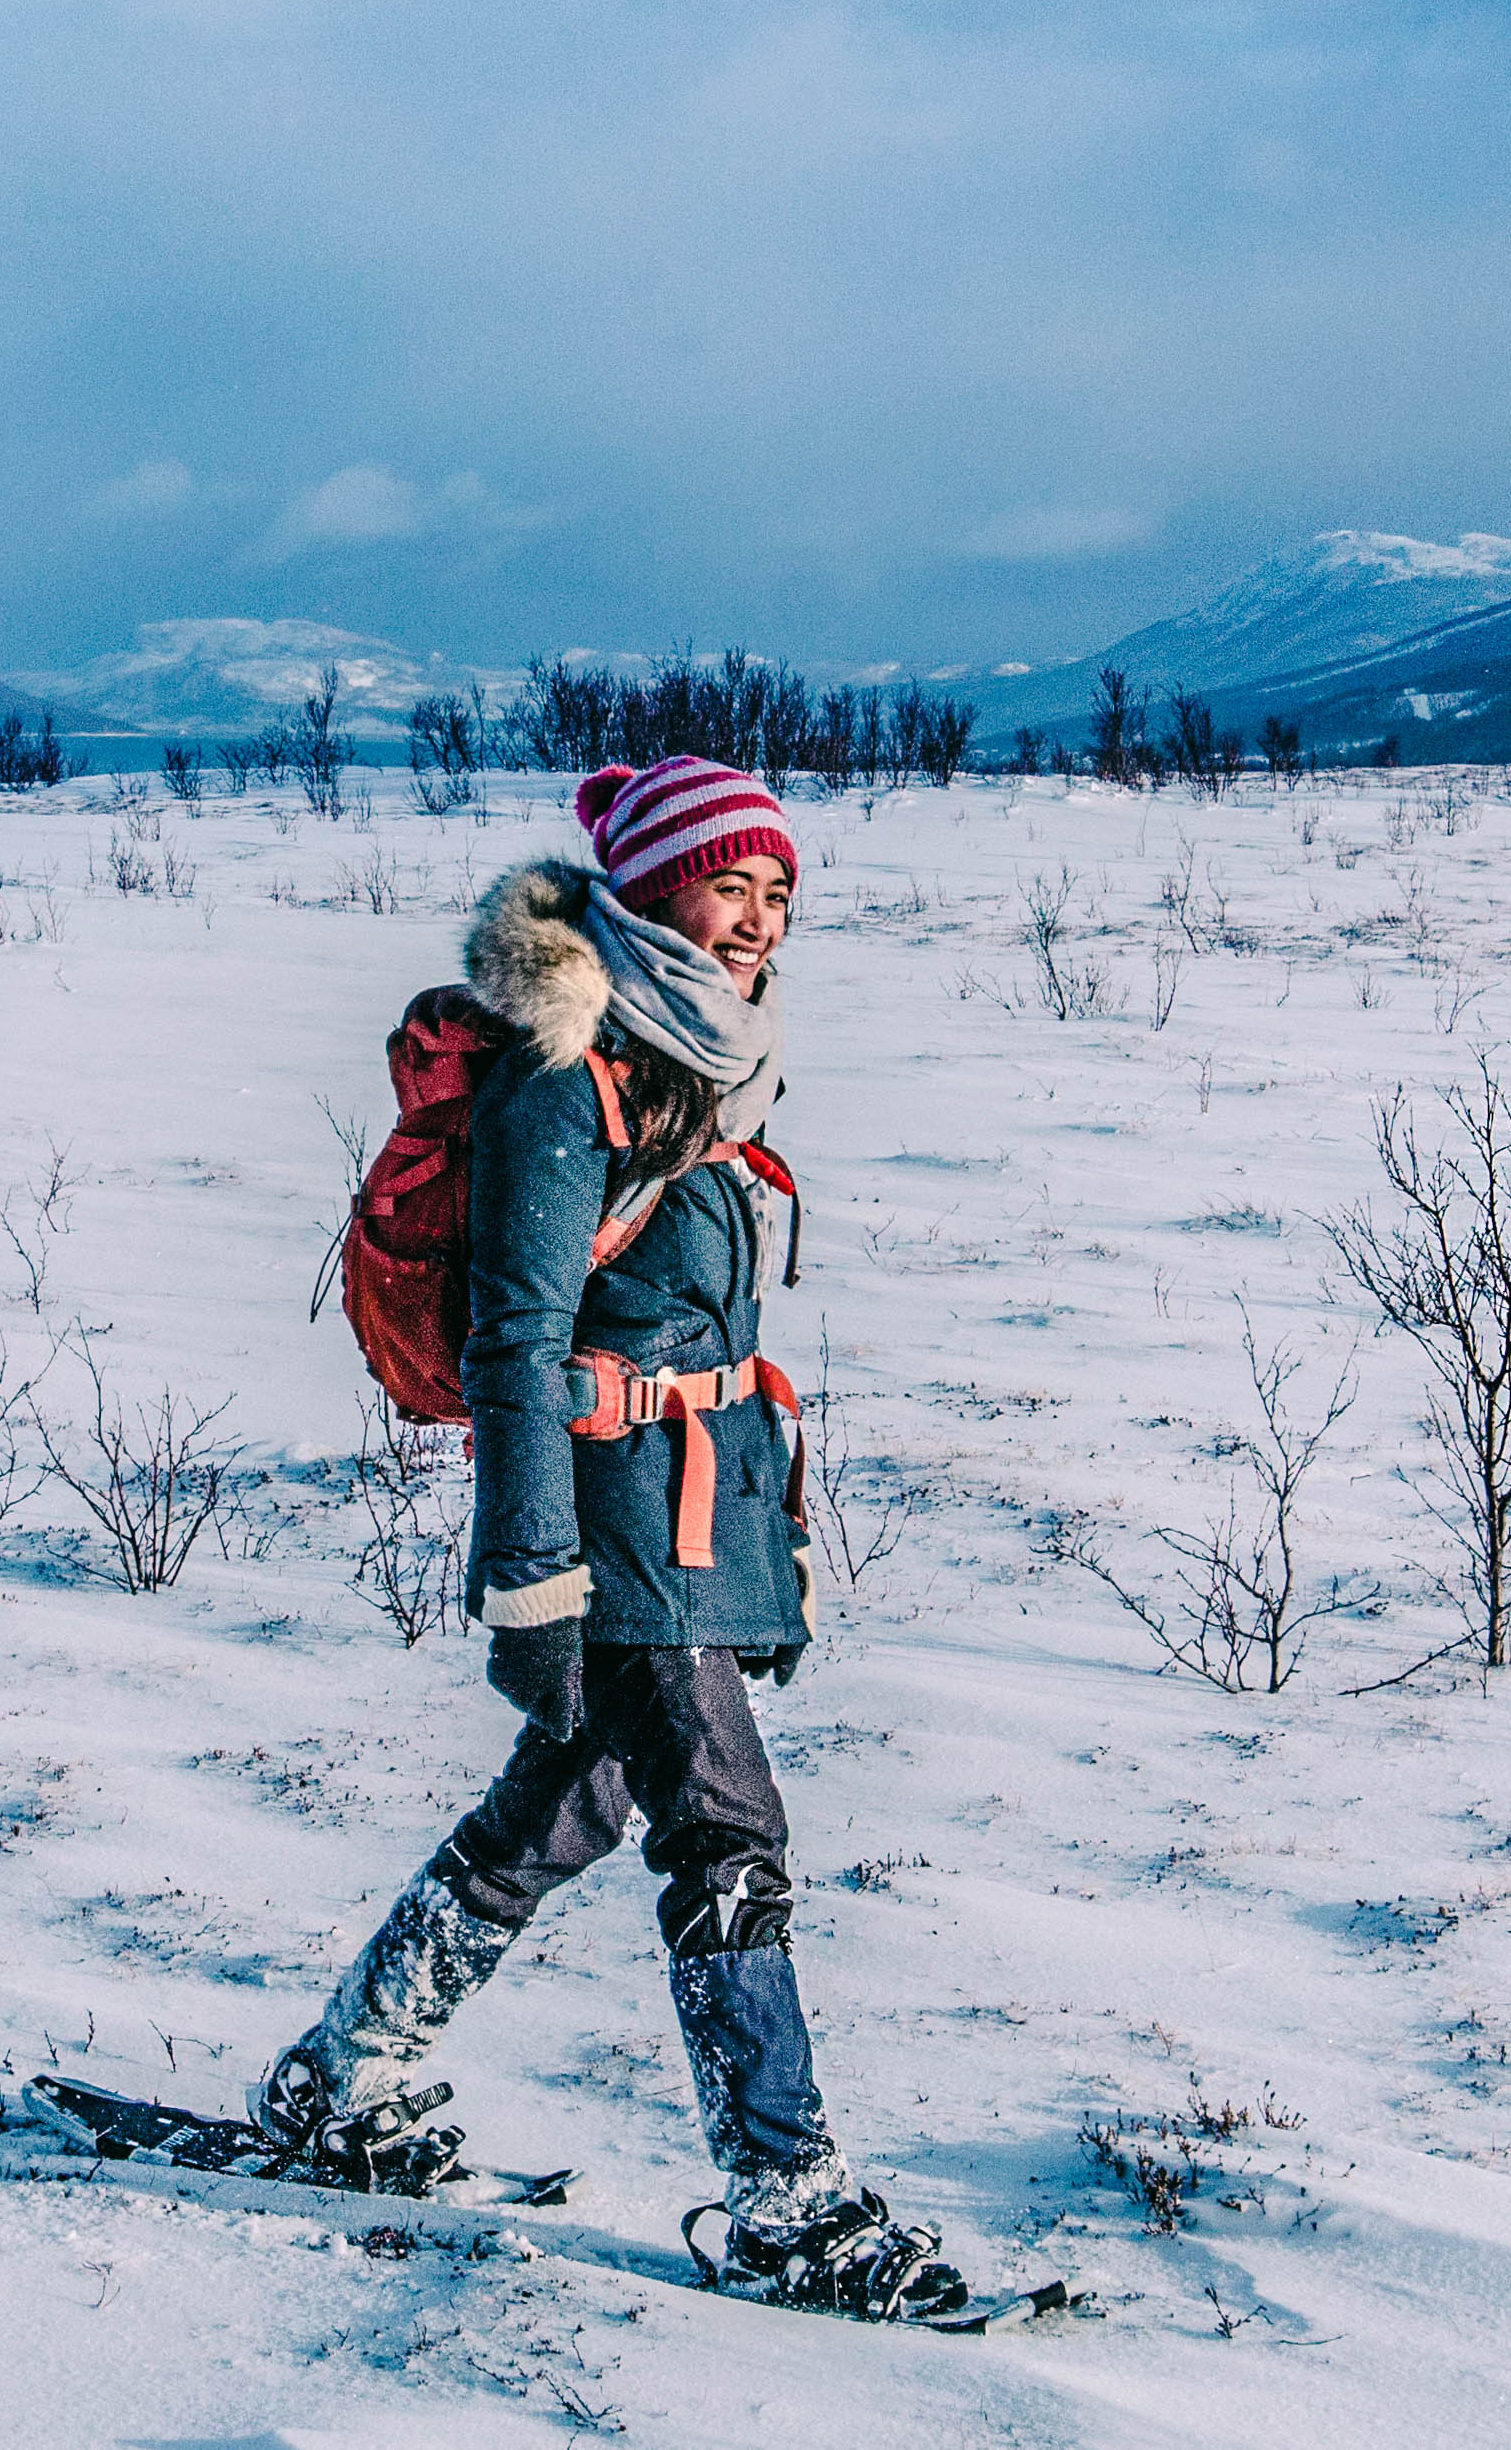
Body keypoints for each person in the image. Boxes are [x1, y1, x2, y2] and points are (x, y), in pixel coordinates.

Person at [251, 756, 969, 2319]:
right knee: (724, 1830)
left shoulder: (702, 1063)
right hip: (608, 1525)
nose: (755, 919)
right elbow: (515, 1342)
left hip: (693, 1505)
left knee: (566, 1801)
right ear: (649, 889)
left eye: (777, 892)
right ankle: (786, 2199)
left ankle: (340, 2079)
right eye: (729, 883)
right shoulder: (563, 1079)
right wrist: (529, 1579)